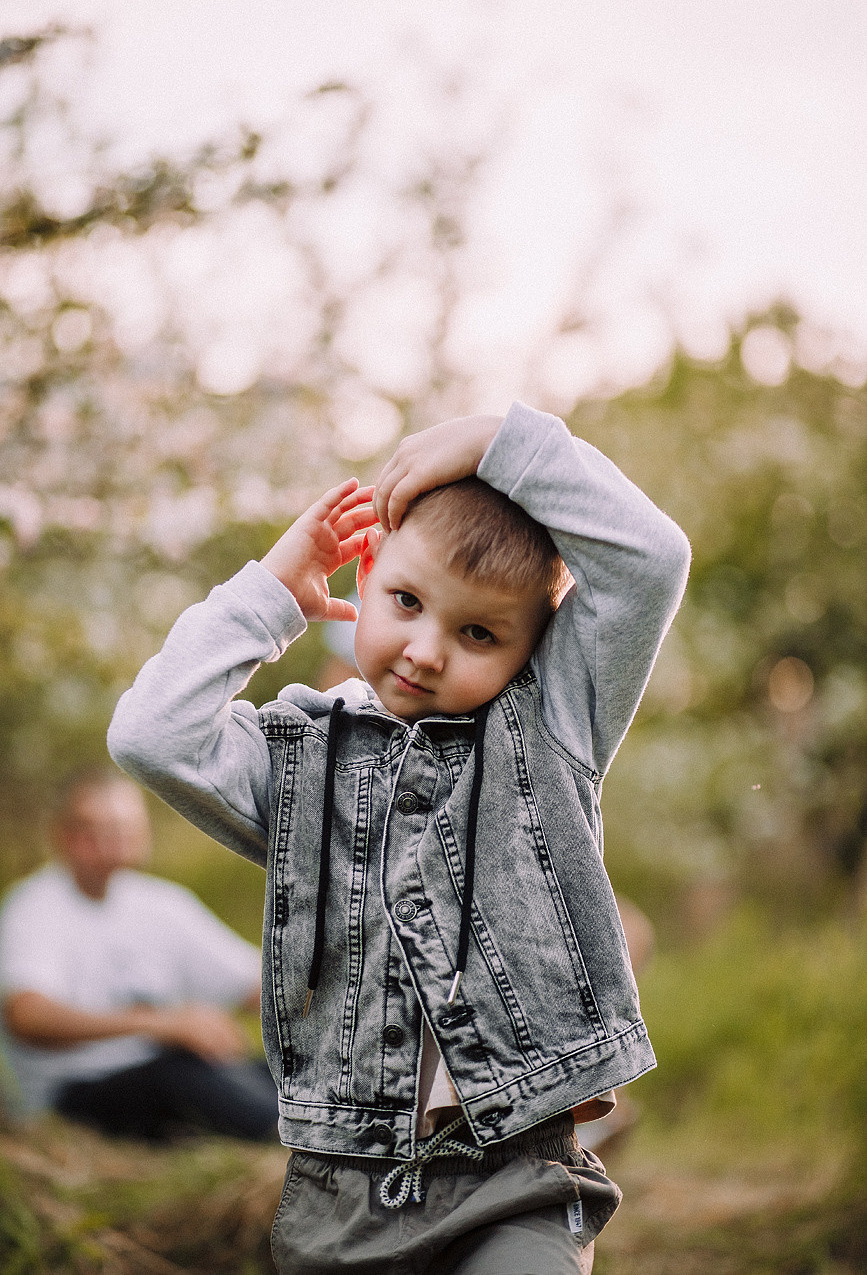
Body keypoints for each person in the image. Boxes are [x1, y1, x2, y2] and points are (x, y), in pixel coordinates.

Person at [108, 403, 691, 1272]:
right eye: (407, 602)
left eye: (479, 633)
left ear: (534, 650)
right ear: (368, 568)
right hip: (344, 1191)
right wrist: (270, 593)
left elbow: (650, 560)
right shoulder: (297, 761)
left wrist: (496, 441)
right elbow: (151, 736)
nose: (425, 650)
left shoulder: (546, 731)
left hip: (514, 1176)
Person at [0, 768, 277, 1142]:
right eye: (96, 828)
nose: (113, 839)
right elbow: (28, 1018)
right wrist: (163, 1024)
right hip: (78, 1090)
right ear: (64, 835)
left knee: (272, 1073)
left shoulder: (163, 904)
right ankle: (292, 1141)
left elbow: (254, 985)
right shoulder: (33, 907)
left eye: (125, 826)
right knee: (182, 1078)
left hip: (168, 1068)